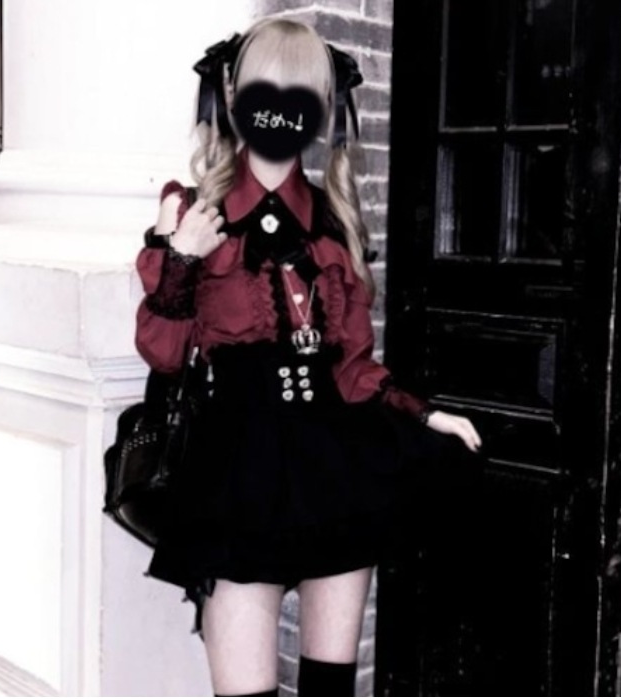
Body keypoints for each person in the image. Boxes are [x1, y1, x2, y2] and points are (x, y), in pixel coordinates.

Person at [135, 17, 487, 697]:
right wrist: (182, 258)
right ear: (233, 95)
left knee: (331, 688)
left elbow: (351, 368)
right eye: (266, 89)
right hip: (236, 474)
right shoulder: (190, 210)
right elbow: (165, 353)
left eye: (301, 93)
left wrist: (424, 414)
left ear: (322, 107)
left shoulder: (332, 220)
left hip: (336, 464)